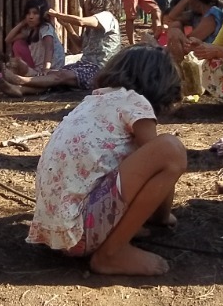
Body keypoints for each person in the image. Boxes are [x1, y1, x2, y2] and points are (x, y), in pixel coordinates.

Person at [28, 44, 186, 276]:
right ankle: (111, 254)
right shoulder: (135, 102)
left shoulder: (93, 102)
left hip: (55, 232)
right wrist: (161, 217)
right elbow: (162, 162)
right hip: (80, 232)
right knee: (171, 149)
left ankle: (112, 235)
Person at [0, 0, 121, 96]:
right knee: (55, 78)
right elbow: (80, 46)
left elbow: (80, 21)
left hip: (100, 69)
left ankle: (21, 80)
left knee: (60, 76)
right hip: (86, 65)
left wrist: (56, 14)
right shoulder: (93, 24)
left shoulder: (106, 16)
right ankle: (21, 89)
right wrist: (67, 26)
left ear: (98, 0)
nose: (86, 2)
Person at [160, 0, 223, 98]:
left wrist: (177, 34)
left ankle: (178, 81)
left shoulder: (214, 13)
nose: (189, 3)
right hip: (195, 55)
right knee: (174, 26)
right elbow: (171, 17)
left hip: (208, 56)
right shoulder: (194, 15)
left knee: (174, 33)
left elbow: (192, 41)